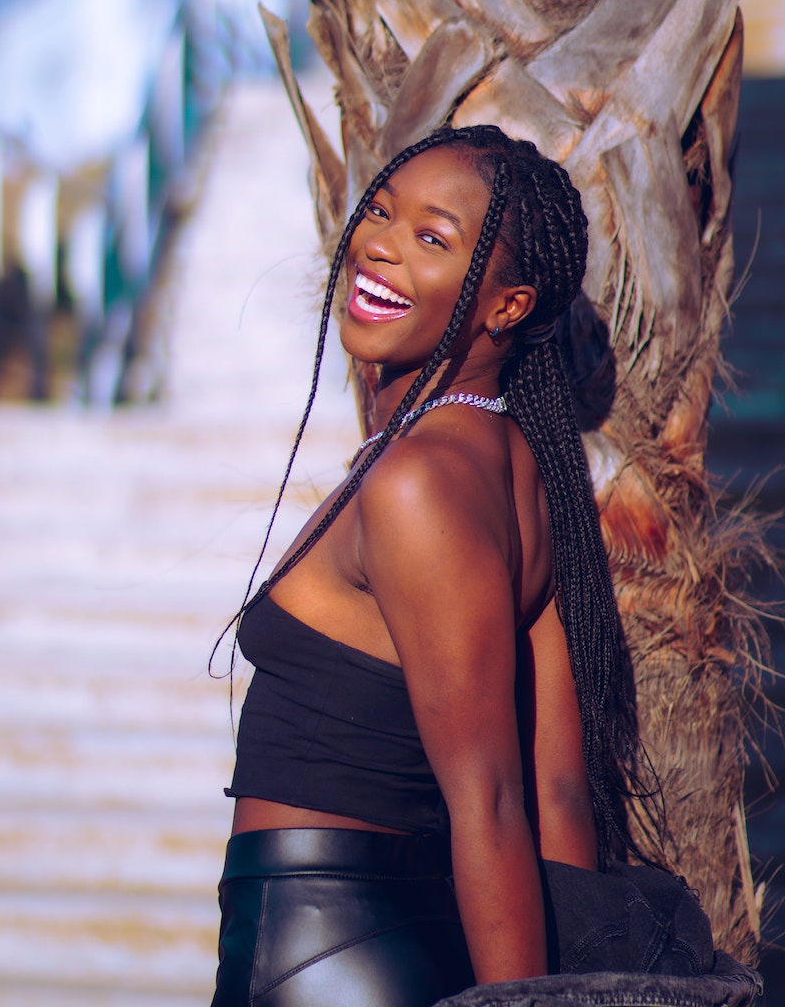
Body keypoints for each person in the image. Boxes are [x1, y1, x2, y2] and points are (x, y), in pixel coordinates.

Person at [209, 125, 705, 1007]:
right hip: (391, 939)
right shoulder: (516, 469)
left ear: (506, 307)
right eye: (384, 212)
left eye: (431, 239)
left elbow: (492, 801)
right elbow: (556, 791)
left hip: (317, 948)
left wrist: (521, 1001)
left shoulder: (418, 486)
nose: (380, 246)